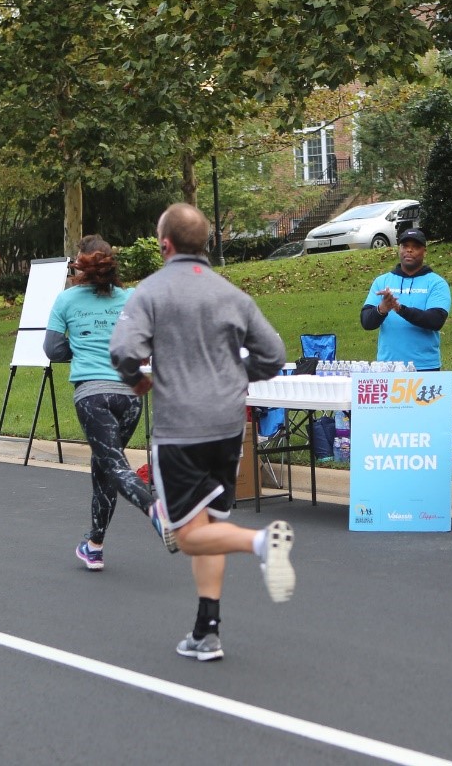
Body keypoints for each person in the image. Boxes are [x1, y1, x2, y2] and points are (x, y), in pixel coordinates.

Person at [110, 203, 292, 661]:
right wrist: (235, 376)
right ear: (204, 243)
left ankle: (262, 542)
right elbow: (273, 355)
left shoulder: (150, 292)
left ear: (164, 244)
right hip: (229, 427)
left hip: (180, 429)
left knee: (186, 535)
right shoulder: (232, 295)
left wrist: (138, 382)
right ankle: (206, 631)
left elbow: (123, 351)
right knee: (209, 525)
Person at [44, 235, 176, 571]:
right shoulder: (132, 298)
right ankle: (94, 545)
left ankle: (154, 508)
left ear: (80, 262)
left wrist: (86, 351)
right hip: (130, 397)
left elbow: (53, 350)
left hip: (93, 396)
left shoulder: (66, 300)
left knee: (115, 467)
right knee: (104, 467)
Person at [360, 228, 451, 370]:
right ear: (399, 249)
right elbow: (366, 322)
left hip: (425, 367)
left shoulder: (436, 283)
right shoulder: (382, 281)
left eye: (415, 247)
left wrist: (401, 309)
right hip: (387, 367)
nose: (409, 250)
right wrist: (382, 308)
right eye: (405, 246)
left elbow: (435, 320)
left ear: (424, 252)